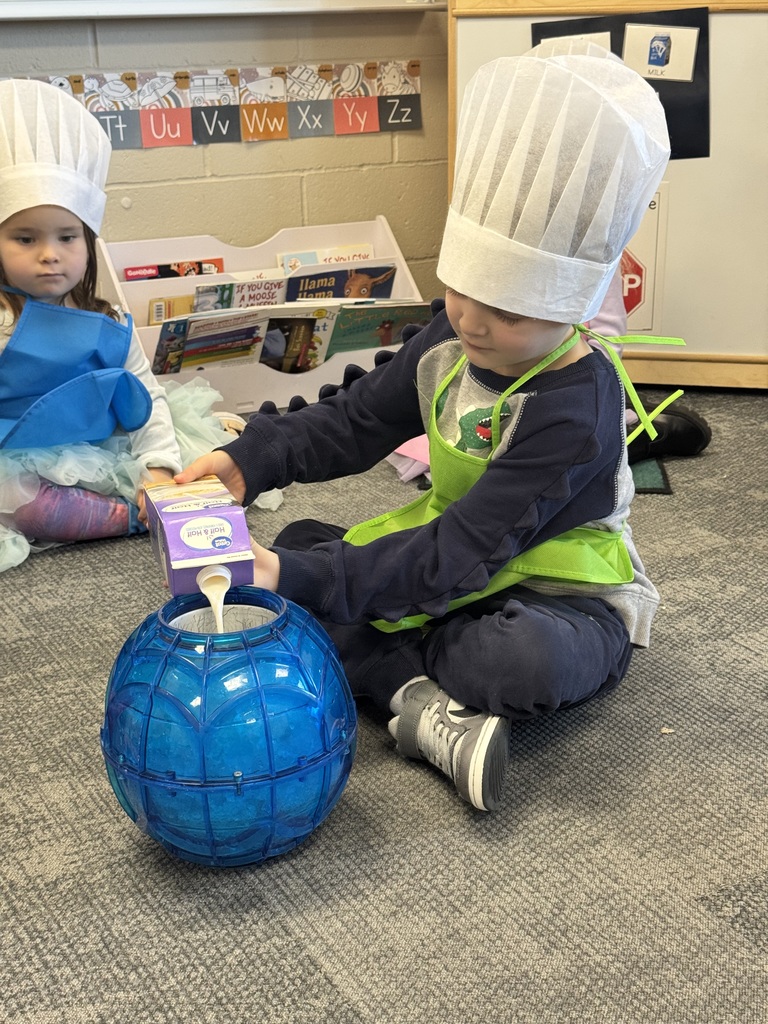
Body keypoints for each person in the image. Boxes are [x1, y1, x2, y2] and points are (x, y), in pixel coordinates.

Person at [177, 54, 675, 812]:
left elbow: (463, 551)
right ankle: (418, 701)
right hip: (453, 562)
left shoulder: (573, 408)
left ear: (572, 302)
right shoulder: (452, 334)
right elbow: (358, 419)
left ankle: (398, 674)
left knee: (517, 664)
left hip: (558, 593)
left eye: (507, 310)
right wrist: (251, 461)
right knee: (312, 552)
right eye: (461, 286)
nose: (471, 319)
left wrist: (309, 582)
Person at [0, 79, 246, 572]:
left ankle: (155, 503)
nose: (50, 254)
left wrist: (157, 468)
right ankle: (129, 519)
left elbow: (145, 396)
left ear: (88, 243)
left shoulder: (107, 321)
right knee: (12, 498)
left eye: (67, 237)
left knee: (209, 454)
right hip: (18, 460)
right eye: (25, 238)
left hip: (103, 448)